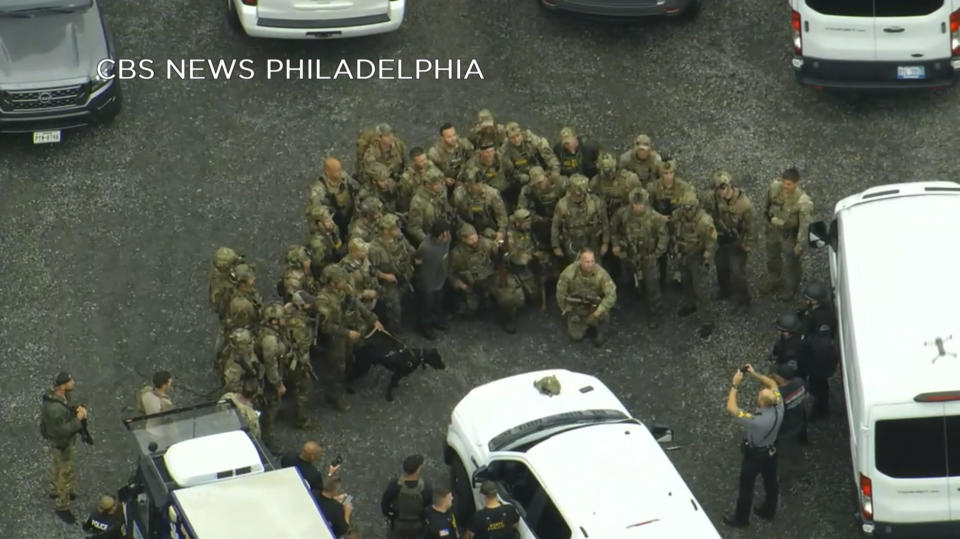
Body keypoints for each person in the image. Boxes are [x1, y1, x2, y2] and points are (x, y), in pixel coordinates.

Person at [723, 365, 785, 528]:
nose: (758, 394)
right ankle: (768, 511)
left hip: (755, 455)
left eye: (759, 396)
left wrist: (735, 384)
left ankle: (741, 519)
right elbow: (772, 383)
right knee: (771, 482)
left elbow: (732, 408)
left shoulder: (756, 420)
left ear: (762, 403)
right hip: (771, 451)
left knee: (746, 487)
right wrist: (754, 373)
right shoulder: (779, 405)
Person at [702, 169, 755, 308]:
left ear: (730, 185)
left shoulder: (743, 204)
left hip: (737, 242)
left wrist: (746, 244)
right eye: (718, 188)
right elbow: (705, 212)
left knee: (737, 274)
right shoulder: (712, 198)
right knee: (721, 265)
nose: (721, 191)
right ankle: (725, 291)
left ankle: (743, 299)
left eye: (723, 187)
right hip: (721, 239)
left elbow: (751, 227)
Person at [41, 371, 88, 523]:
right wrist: (78, 420)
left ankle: (55, 490)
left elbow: (65, 410)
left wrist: (76, 408)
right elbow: (61, 431)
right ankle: (62, 505)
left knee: (56, 466)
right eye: (70, 380)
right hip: (62, 444)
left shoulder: (61, 397)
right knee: (66, 473)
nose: (73, 382)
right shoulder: (55, 409)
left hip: (58, 443)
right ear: (63, 385)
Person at [762, 167, 814, 301]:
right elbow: (767, 206)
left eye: (789, 184)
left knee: (792, 263)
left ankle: (791, 288)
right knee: (772, 257)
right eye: (784, 182)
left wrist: (799, 243)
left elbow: (805, 224)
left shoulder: (803, 201)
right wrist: (767, 221)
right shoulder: (774, 189)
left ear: (796, 183)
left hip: (789, 236)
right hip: (773, 231)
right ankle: (774, 279)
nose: (785, 186)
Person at [555, 248, 617, 346]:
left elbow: (612, 295)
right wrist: (566, 310)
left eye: (592, 261)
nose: (590, 264)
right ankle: (584, 325)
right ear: (580, 261)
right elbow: (560, 294)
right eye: (587, 262)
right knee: (576, 336)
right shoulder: (569, 273)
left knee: (603, 316)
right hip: (577, 306)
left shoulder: (601, 273)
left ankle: (599, 328)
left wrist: (596, 313)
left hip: (594, 305)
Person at [799, 282, 838, 419]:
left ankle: (821, 410)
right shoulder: (813, 310)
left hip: (819, 360)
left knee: (819, 384)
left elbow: (821, 342)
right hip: (813, 356)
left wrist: (804, 340)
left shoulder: (823, 317)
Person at [413, 222, 452, 340]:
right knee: (426, 305)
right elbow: (416, 260)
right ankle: (425, 326)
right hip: (427, 281)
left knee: (437, 302)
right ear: (437, 236)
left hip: (439, 277)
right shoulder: (425, 247)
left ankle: (436, 320)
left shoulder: (448, 239)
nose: (447, 237)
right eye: (444, 235)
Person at [381, 454, 433, 539]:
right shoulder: (425, 487)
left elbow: (384, 504)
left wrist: (391, 515)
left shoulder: (395, 485)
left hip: (397, 523)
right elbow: (428, 507)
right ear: (417, 470)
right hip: (417, 525)